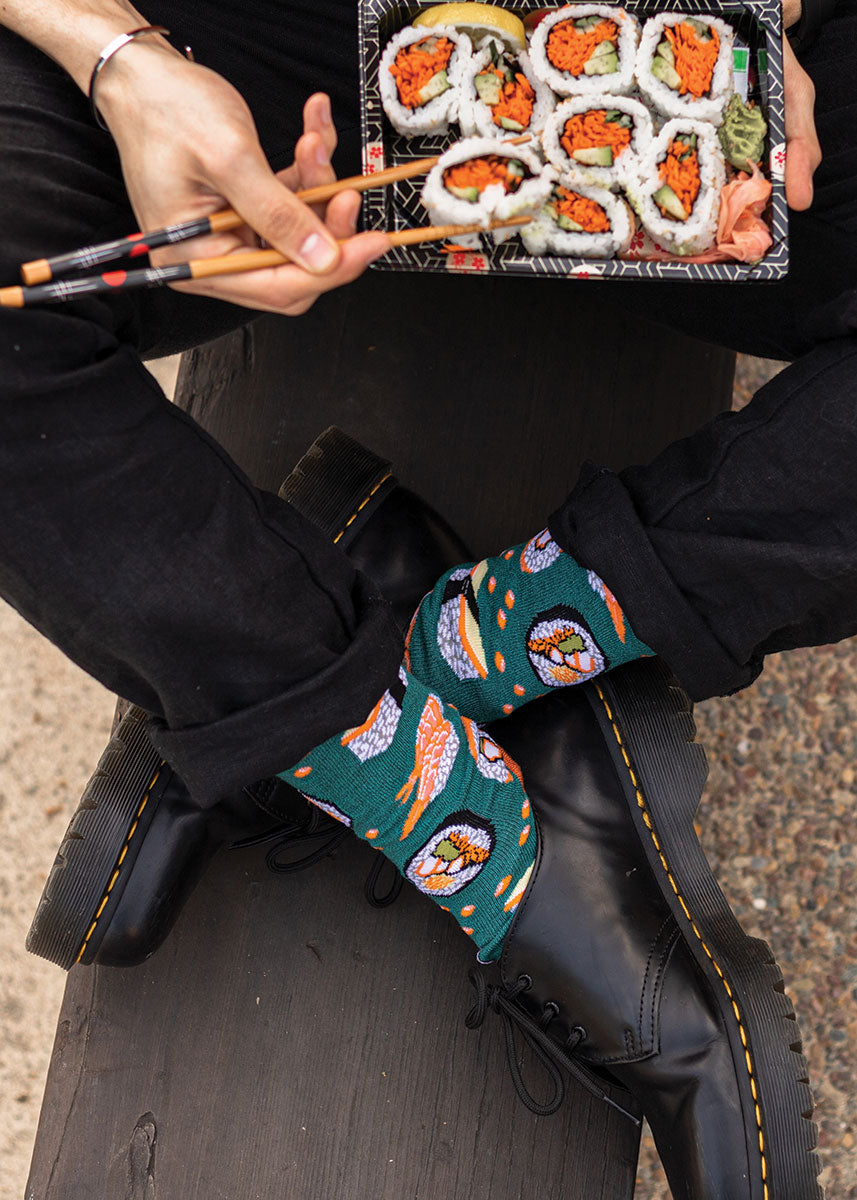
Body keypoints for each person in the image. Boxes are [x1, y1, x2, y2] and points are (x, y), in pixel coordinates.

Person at [1, 0, 853, 1196]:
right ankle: (491, 836)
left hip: (676, 80)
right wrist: (116, 57)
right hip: (236, 54)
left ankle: (438, 668)